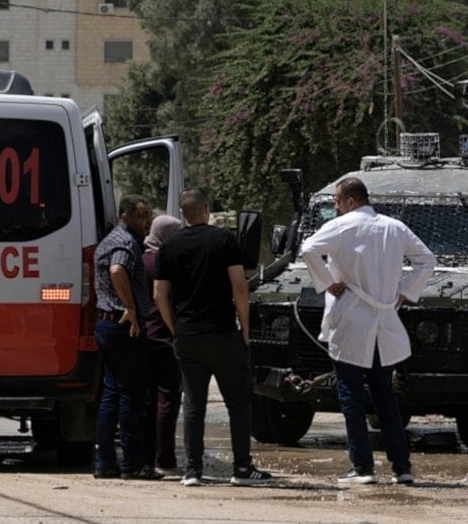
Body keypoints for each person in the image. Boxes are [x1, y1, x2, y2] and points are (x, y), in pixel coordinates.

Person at [300, 177, 435, 485]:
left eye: (336, 201)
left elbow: (308, 248)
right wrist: (403, 292)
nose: (335, 207)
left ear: (350, 201)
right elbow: (427, 261)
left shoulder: (343, 225)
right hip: (384, 321)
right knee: (385, 396)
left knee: (351, 397)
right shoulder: (394, 227)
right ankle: (401, 468)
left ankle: (362, 467)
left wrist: (327, 283)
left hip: (351, 319)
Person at [153, 187, 272, 487]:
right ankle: (242, 469)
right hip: (222, 334)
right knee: (238, 402)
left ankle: (192, 470)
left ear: (183, 214)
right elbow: (240, 288)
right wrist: (244, 329)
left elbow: (159, 295)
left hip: (188, 337)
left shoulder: (168, 246)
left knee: (193, 404)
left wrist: (174, 328)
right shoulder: (224, 240)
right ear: (206, 210)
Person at [92, 195, 160, 480]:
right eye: (142, 215)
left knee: (111, 394)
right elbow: (117, 269)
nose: (147, 221)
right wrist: (131, 308)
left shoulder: (112, 239)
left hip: (108, 325)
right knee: (131, 397)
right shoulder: (124, 241)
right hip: (123, 326)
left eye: (148, 215)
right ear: (126, 216)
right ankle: (132, 464)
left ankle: (105, 463)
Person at [141, 213, 184, 476]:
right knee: (167, 399)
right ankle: (164, 459)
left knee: (146, 401)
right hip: (164, 337)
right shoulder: (165, 264)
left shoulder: (140, 259)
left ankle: (143, 458)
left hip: (141, 337)